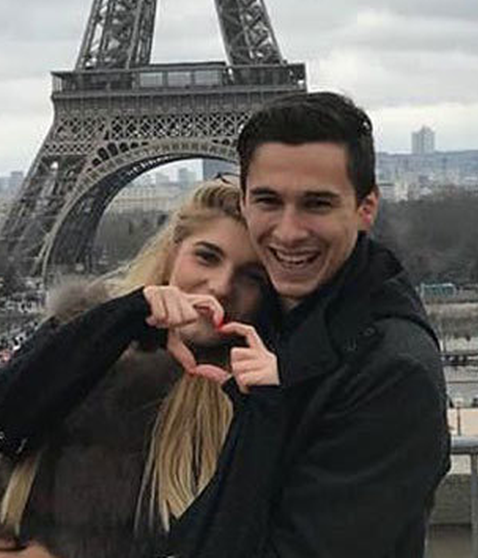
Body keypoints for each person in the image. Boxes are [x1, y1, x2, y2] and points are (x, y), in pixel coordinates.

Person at [164, 92, 451, 558]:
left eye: (316, 204)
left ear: (366, 208)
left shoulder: (395, 372)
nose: (289, 231)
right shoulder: (262, 321)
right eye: (268, 201)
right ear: (244, 201)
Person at [0, 181, 270, 558]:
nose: (220, 286)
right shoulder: (85, 330)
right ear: (172, 252)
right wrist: (127, 316)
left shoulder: (257, 387)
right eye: (206, 257)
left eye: (252, 276)